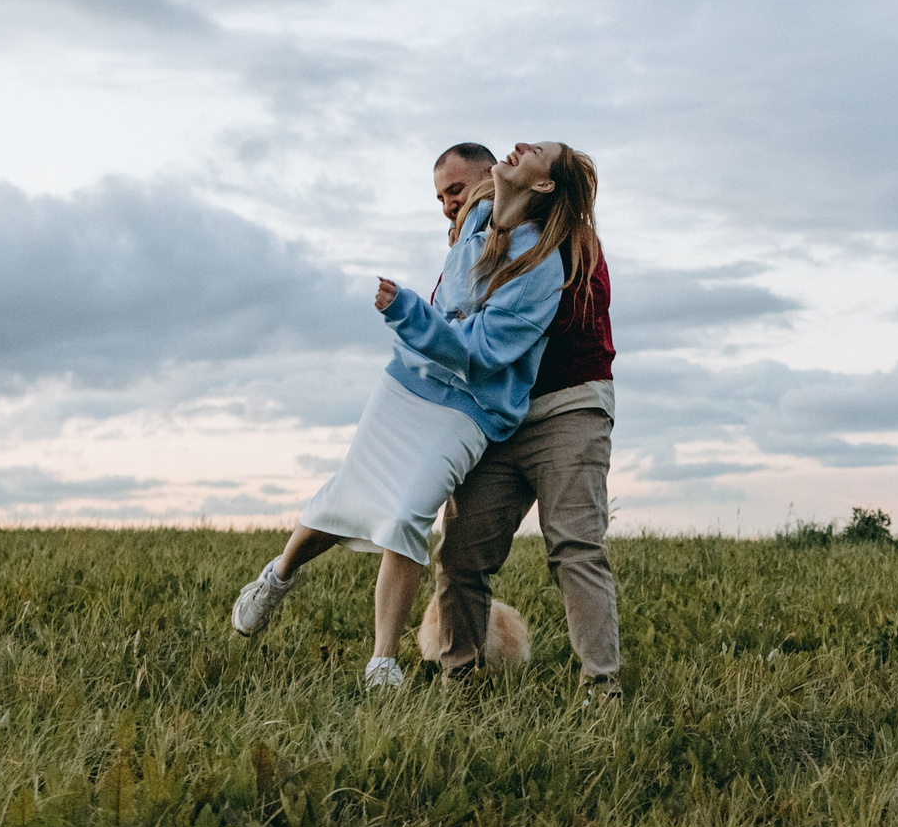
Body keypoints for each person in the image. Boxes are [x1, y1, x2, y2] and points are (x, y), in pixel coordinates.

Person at [230, 142, 597, 689]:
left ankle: (382, 661)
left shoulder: (541, 261)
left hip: (471, 407)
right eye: (439, 196)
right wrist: (423, 314)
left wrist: (407, 312)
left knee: (408, 513)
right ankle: (279, 575)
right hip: (407, 388)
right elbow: (452, 311)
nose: (447, 204)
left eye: (455, 190)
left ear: (510, 182)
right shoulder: (473, 230)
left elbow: (482, 350)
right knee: (345, 496)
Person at [423, 145, 622, 701]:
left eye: (538, 152)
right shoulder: (472, 241)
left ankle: (601, 691)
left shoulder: (574, 242)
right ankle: (458, 680)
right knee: (460, 552)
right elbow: (448, 323)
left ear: (544, 186)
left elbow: (502, 331)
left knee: (575, 546)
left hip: (568, 406)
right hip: (494, 418)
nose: (521, 148)